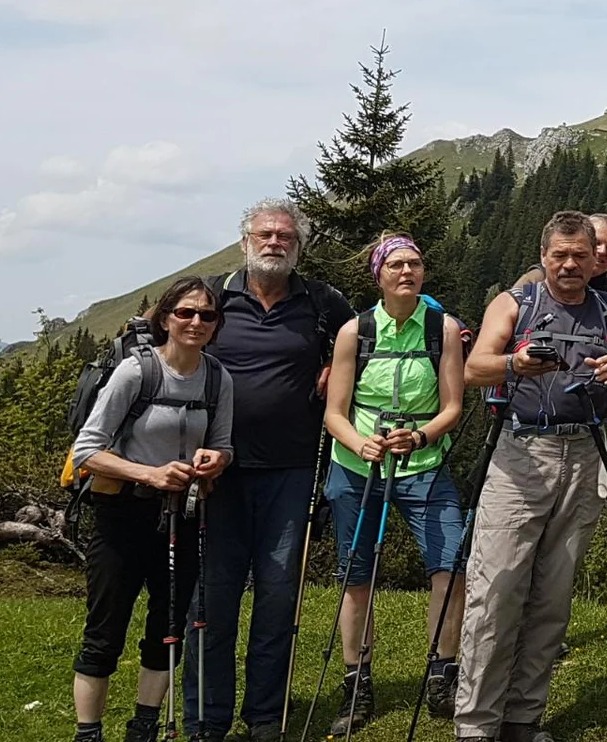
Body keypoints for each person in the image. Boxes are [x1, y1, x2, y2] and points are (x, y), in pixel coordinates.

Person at [456, 211, 607, 741]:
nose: (569, 265)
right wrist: (515, 364)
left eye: (580, 256)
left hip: (585, 452)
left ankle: (522, 720)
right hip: (519, 453)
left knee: (552, 596)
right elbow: (472, 368)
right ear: (543, 257)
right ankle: (476, 725)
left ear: (594, 258)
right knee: (497, 589)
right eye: (559, 255)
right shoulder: (515, 303)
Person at [193, 200, 352, 742]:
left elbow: (368, 340)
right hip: (218, 473)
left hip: (290, 470)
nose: (275, 242)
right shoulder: (213, 297)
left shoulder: (323, 302)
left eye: (286, 236)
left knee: (279, 598)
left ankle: (265, 717)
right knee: (213, 600)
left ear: (298, 246)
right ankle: (207, 719)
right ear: (245, 242)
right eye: (265, 234)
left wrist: (338, 365)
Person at [70, 278, 234, 742]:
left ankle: (143, 728)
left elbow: (223, 445)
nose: (196, 322)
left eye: (207, 315)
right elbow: (86, 451)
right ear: (165, 319)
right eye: (186, 313)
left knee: (167, 629)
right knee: (105, 632)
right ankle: (89, 732)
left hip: (183, 518)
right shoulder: (135, 373)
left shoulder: (219, 378)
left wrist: (217, 459)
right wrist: (149, 474)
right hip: (121, 516)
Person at [319, 234, 468, 732]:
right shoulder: (354, 332)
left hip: (424, 466)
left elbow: (453, 407)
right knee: (356, 578)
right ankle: (357, 683)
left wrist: (422, 434)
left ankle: (442, 674)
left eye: (416, 264)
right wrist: (359, 443)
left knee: (451, 567)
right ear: (378, 275)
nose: (408, 272)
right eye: (397, 264)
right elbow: (334, 414)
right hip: (358, 468)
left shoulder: (441, 329)